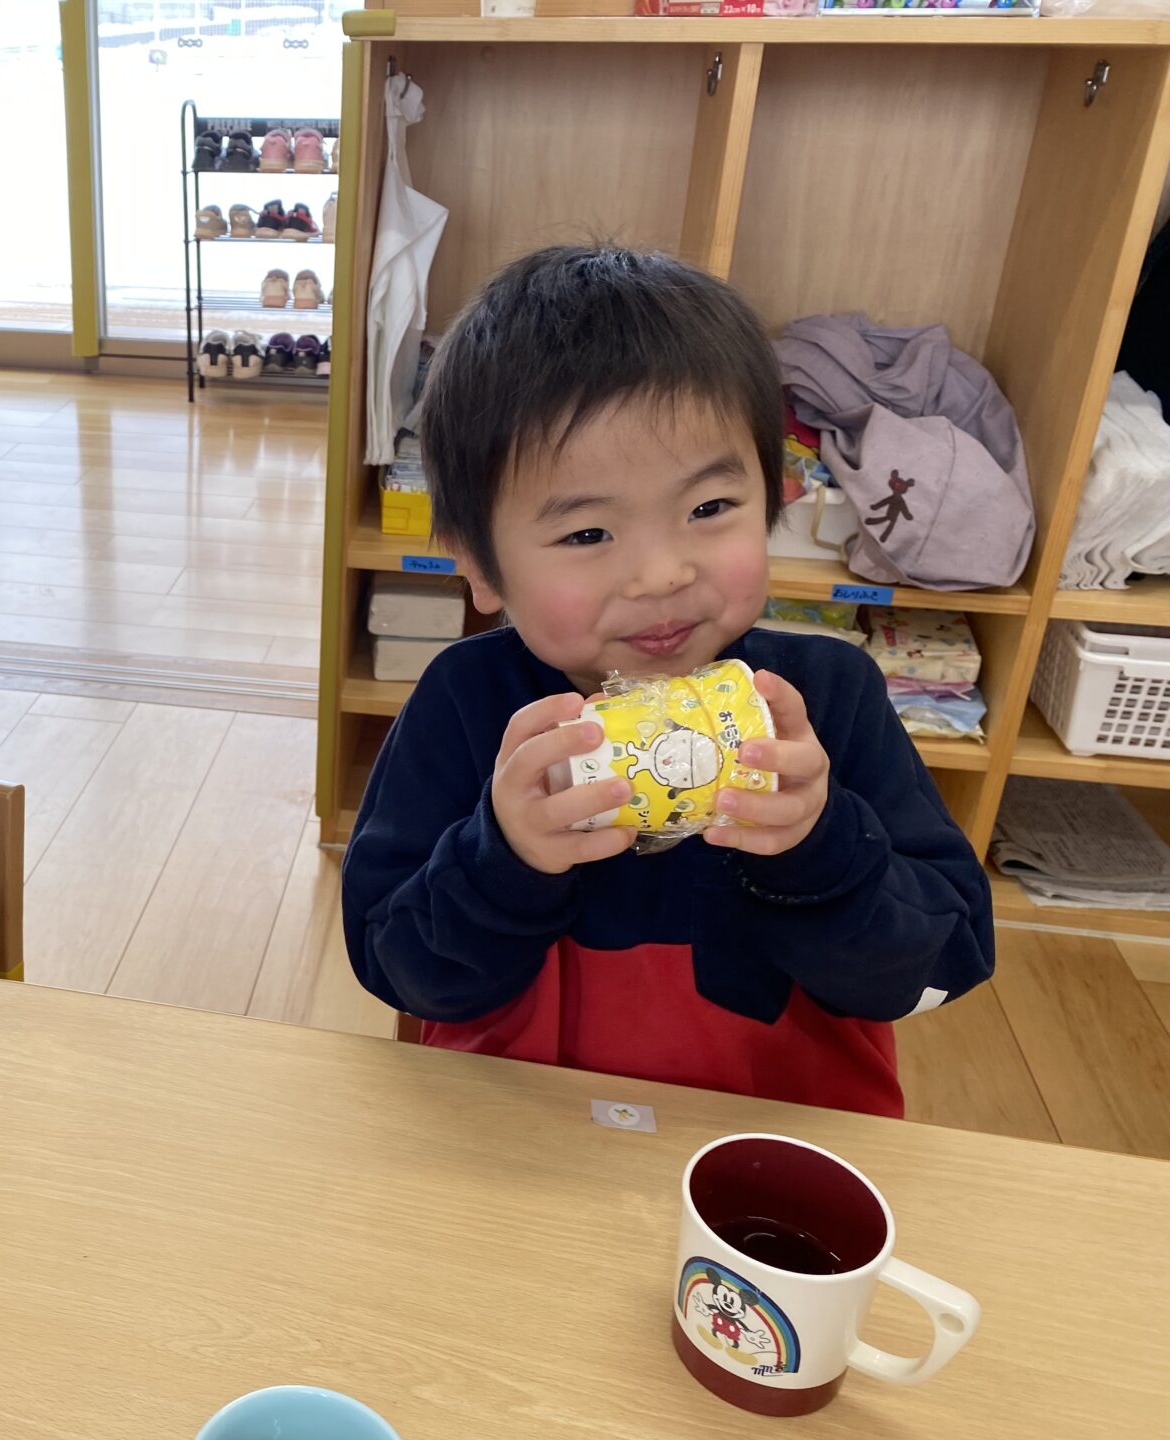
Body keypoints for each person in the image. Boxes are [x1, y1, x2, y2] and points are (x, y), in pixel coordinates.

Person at [341, 247, 992, 1116]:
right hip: (520, 1128)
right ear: (481, 566)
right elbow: (396, 968)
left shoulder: (825, 701)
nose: (661, 575)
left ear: (776, 498)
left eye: (708, 509)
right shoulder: (467, 704)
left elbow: (947, 964)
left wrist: (821, 846)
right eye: (586, 534)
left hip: (775, 1132)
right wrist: (504, 858)